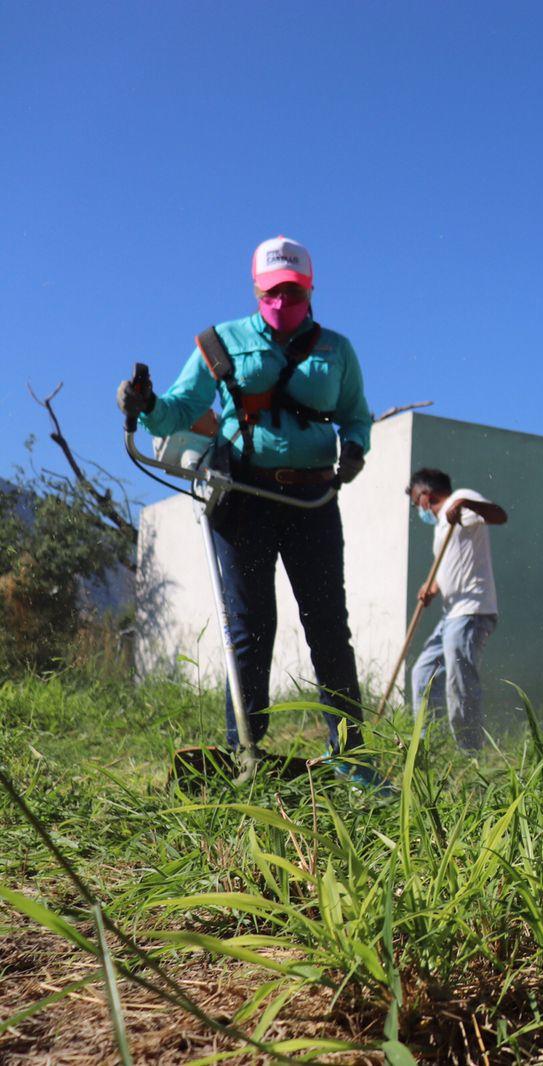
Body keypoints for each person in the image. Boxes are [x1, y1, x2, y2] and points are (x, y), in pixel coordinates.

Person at [115, 236, 379, 786]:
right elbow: (181, 409)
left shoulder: (338, 350)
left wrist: (355, 447)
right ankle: (246, 753)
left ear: (310, 290)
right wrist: (148, 406)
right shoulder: (222, 342)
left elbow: (356, 414)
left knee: (328, 627)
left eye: (293, 292)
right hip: (243, 500)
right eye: (273, 292)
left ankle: (353, 759)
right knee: (251, 626)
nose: (283, 302)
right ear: (256, 290)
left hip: (312, 500)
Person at [407, 468, 508, 751]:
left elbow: (500, 515)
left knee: (459, 683)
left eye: (416, 503)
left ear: (425, 495)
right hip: (451, 614)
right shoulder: (441, 525)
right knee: (423, 673)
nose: (419, 510)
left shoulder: (461, 499)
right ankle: (428, 746)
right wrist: (432, 587)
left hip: (471, 611)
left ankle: (469, 752)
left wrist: (465, 505)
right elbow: (451, 564)